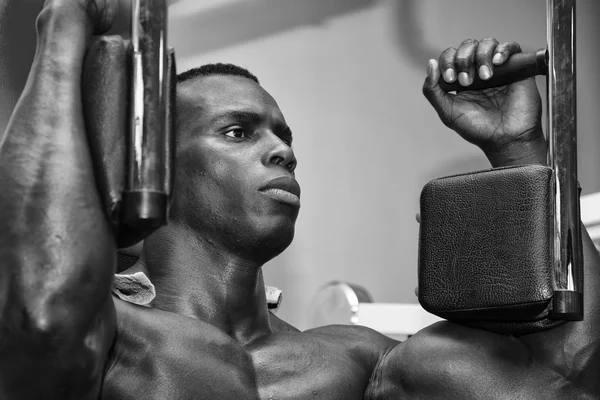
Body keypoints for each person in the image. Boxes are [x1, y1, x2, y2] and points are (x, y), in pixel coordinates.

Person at [0, 1, 598, 399]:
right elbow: (44, 312)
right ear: (157, 171)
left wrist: (520, 149)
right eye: (238, 133)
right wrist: (68, 25)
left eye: (283, 136)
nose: (283, 153)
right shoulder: (111, 344)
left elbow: (568, 378)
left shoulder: (358, 365)